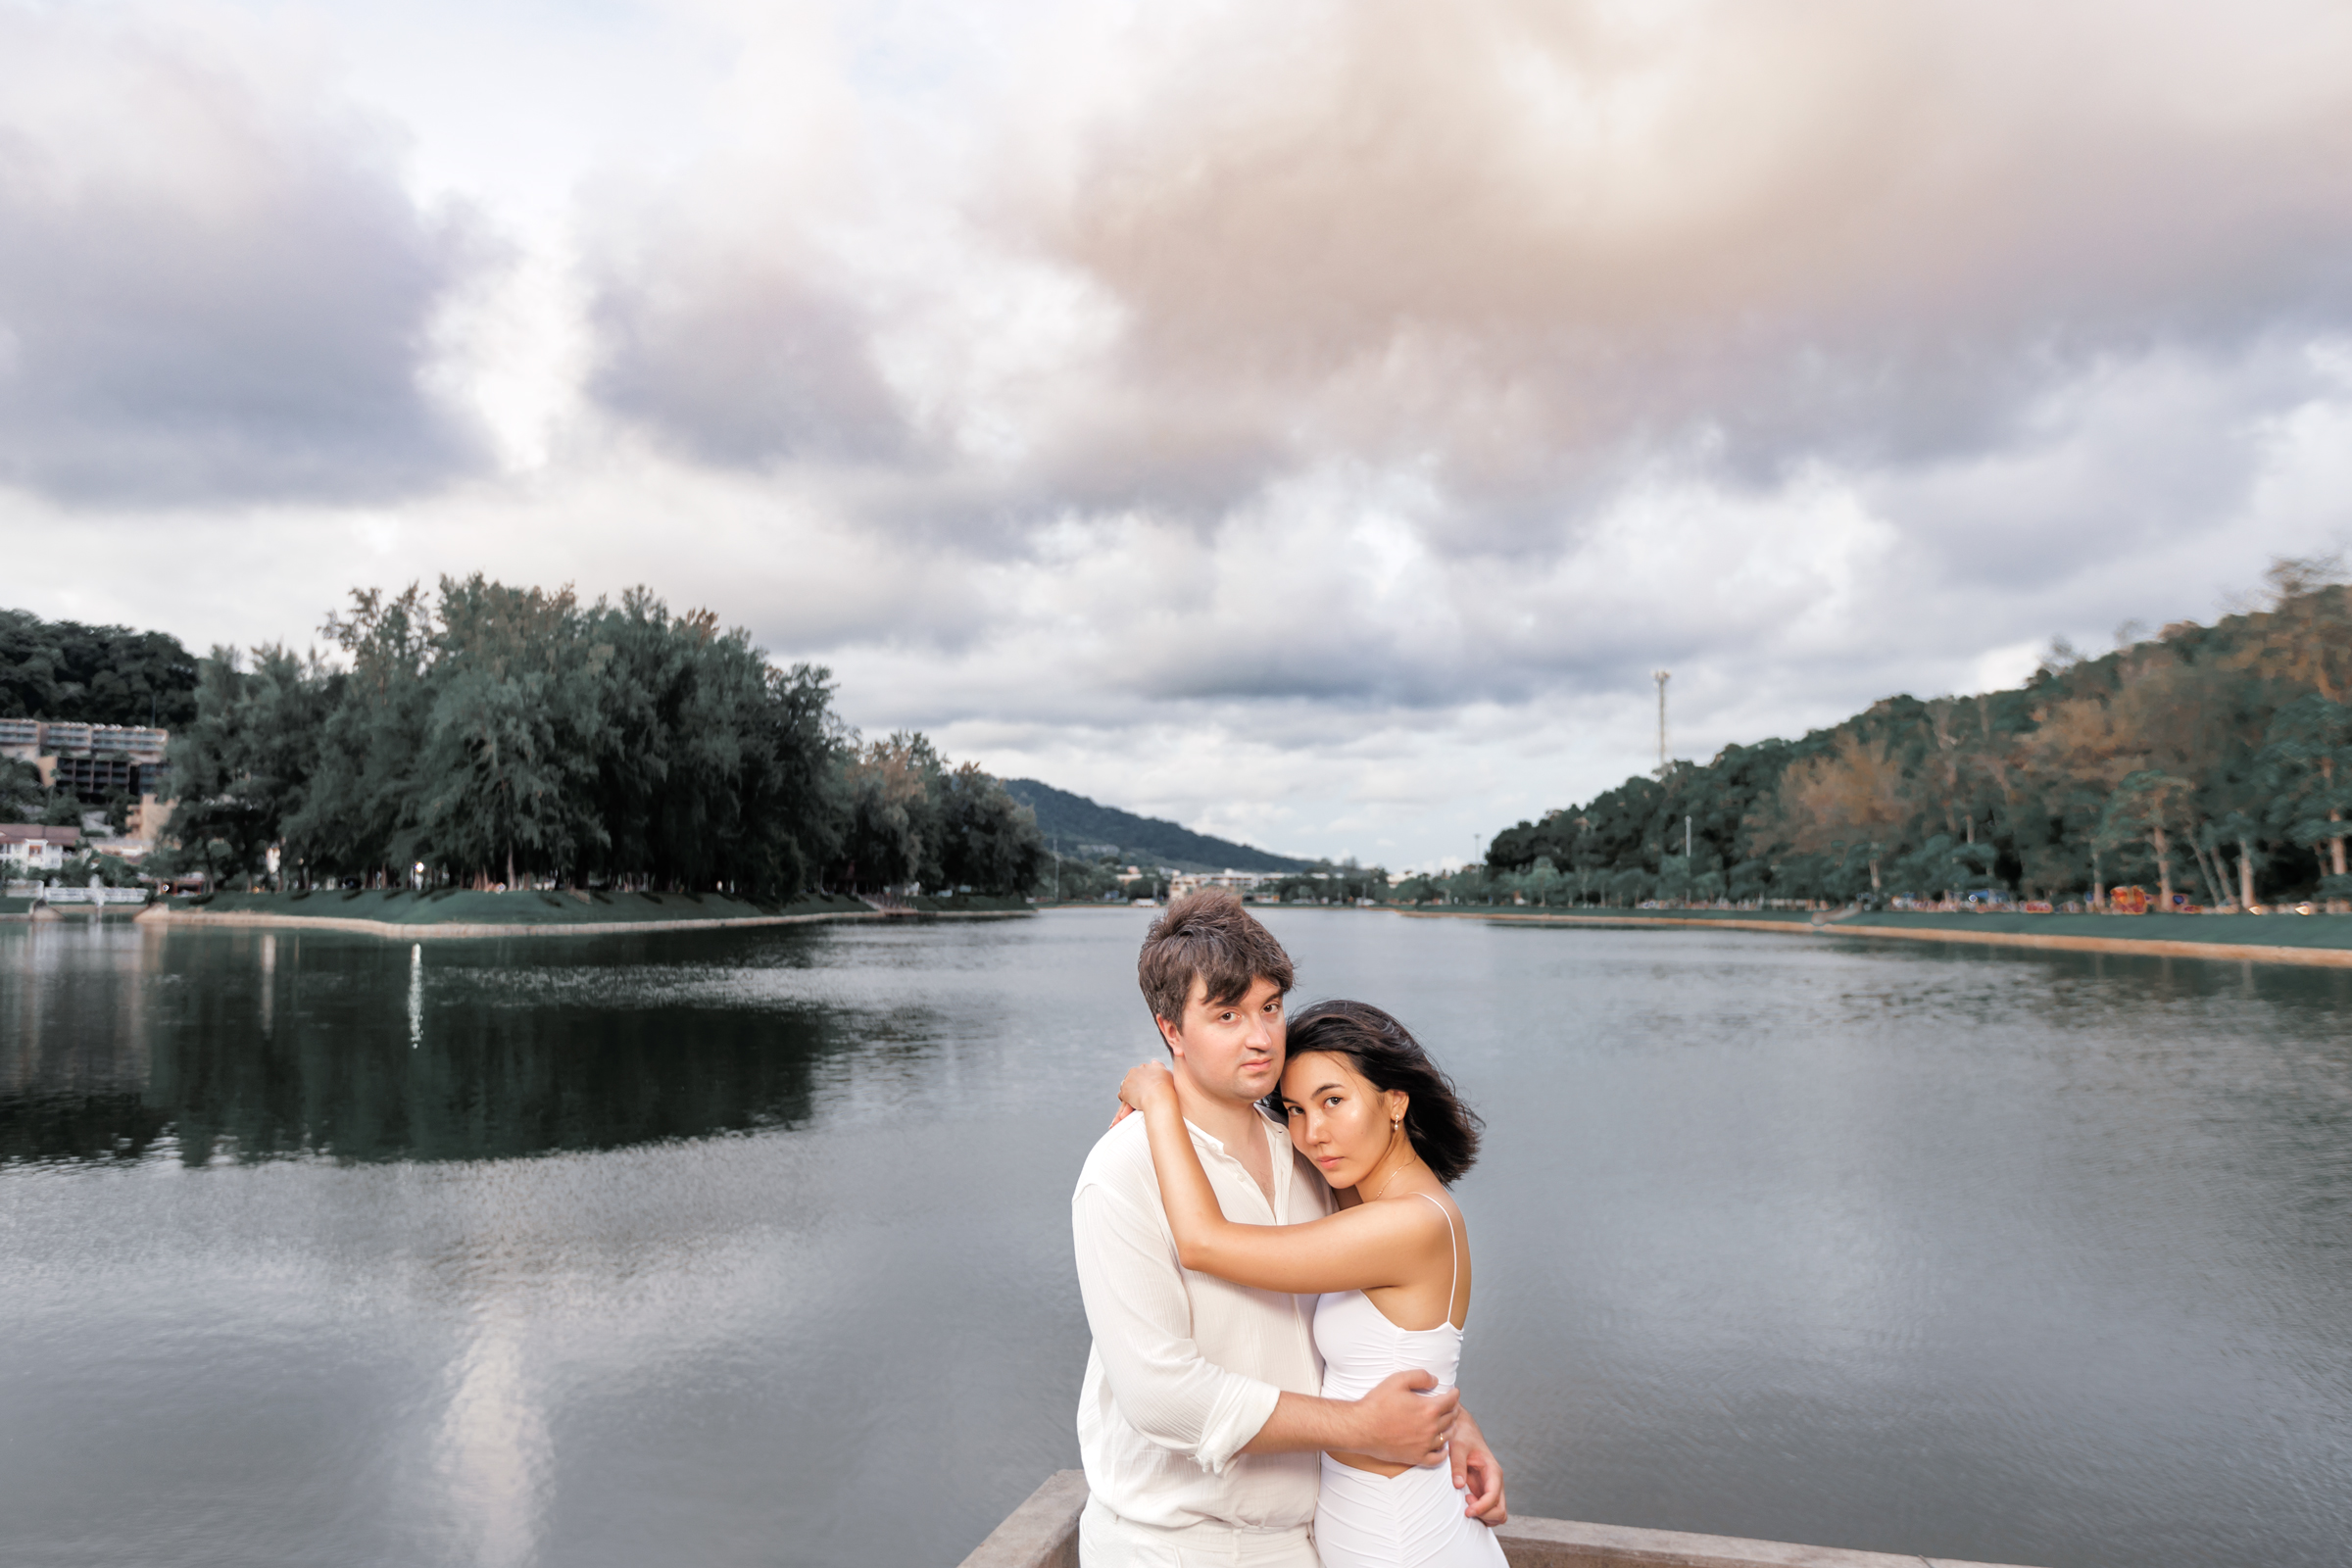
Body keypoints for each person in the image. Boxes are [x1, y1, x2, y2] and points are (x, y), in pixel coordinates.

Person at [1072, 890, 1506, 1566]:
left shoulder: (1312, 1158)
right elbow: (1161, 1396)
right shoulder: (1124, 1171)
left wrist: (1449, 1419)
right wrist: (1363, 1426)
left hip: (1308, 1541)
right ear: (1171, 1032)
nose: (1261, 1036)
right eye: (1227, 1014)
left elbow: (1377, 1323)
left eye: (1270, 1007)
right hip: (1172, 1547)